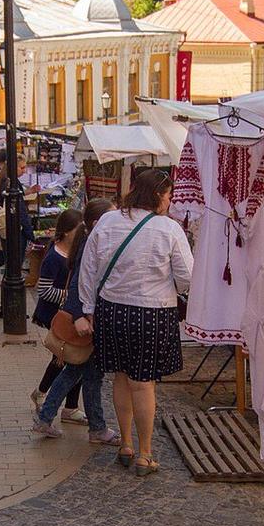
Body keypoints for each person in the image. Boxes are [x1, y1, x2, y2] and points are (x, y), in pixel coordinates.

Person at [73, 170, 192, 475]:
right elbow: (187, 277)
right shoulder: (169, 229)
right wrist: (172, 287)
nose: (170, 200)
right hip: (151, 312)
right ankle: (145, 453)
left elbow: (89, 268)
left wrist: (88, 309)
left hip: (111, 310)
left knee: (122, 378)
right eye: (168, 195)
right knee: (143, 383)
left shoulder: (109, 221)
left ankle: (125, 444)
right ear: (157, 196)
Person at [31, 199, 120, 444]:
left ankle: (92, 427)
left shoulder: (89, 243)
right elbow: (79, 284)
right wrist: (80, 315)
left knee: (87, 374)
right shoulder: (89, 247)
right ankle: (56, 419)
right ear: (97, 222)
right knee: (79, 372)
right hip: (87, 320)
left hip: (89, 318)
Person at [30, 209, 86, 418]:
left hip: (65, 313)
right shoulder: (54, 257)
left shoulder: (73, 252)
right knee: (65, 356)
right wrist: (70, 295)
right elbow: (43, 290)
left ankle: (68, 405)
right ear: (66, 231)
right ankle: (44, 394)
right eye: (78, 229)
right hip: (55, 314)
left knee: (72, 358)